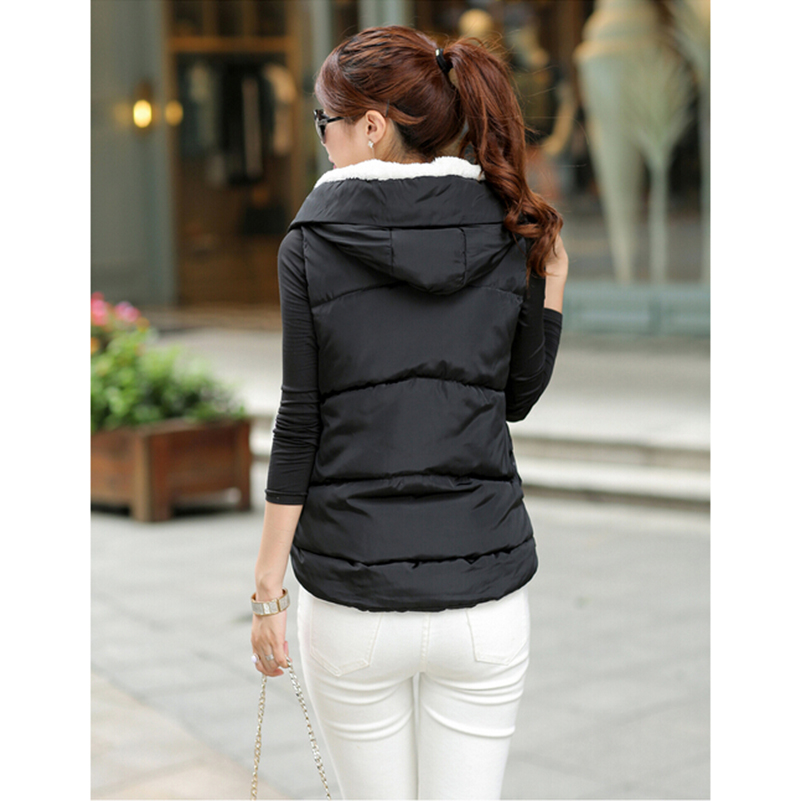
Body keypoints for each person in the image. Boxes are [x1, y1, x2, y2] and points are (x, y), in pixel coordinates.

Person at [250, 25, 568, 800]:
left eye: (324, 121)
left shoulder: (310, 240)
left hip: (354, 593)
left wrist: (266, 590)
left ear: (370, 126)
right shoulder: (508, 224)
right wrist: (552, 280)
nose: (322, 139)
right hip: (483, 592)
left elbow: (300, 420)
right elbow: (516, 397)